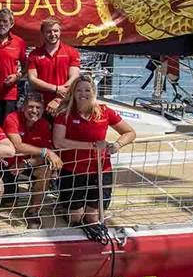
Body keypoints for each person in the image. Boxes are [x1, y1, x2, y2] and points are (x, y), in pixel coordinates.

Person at [52, 76, 136, 226]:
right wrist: (92, 145)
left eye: (87, 90)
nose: (83, 93)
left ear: (93, 92)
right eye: (78, 90)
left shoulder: (104, 111)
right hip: (73, 169)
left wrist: (117, 145)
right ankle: (66, 209)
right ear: (73, 92)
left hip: (100, 169)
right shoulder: (64, 113)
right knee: (75, 219)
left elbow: (129, 132)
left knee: (93, 218)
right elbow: (58, 142)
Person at [3, 93, 62, 228]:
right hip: (7, 164)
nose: (34, 111)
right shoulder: (12, 118)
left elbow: (45, 157)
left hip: (29, 163)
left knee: (46, 170)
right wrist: (45, 151)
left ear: (42, 110)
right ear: (23, 107)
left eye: (38, 107)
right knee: (6, 202)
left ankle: (33, 211)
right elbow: (17, 146)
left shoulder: (45, 125)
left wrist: (27, 163)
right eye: (30, 107)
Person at [27, 18, 80, 116]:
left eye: (55, 31)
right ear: (42, 33)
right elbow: (32, 79)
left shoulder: (72, 52)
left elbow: (74, 77)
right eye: (48, 31)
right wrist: (56, 88)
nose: (52, 34)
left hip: (64, 104)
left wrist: (58, 99)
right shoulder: (34, 54)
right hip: (41, 106)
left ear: (60, 32)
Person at [0, 8, 27, 125]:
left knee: (8, 127)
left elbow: (26, 67)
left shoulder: (19, 42)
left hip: (9, 95)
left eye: (5, 21)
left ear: (11, 24)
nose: (1, 24)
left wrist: (17, 76)